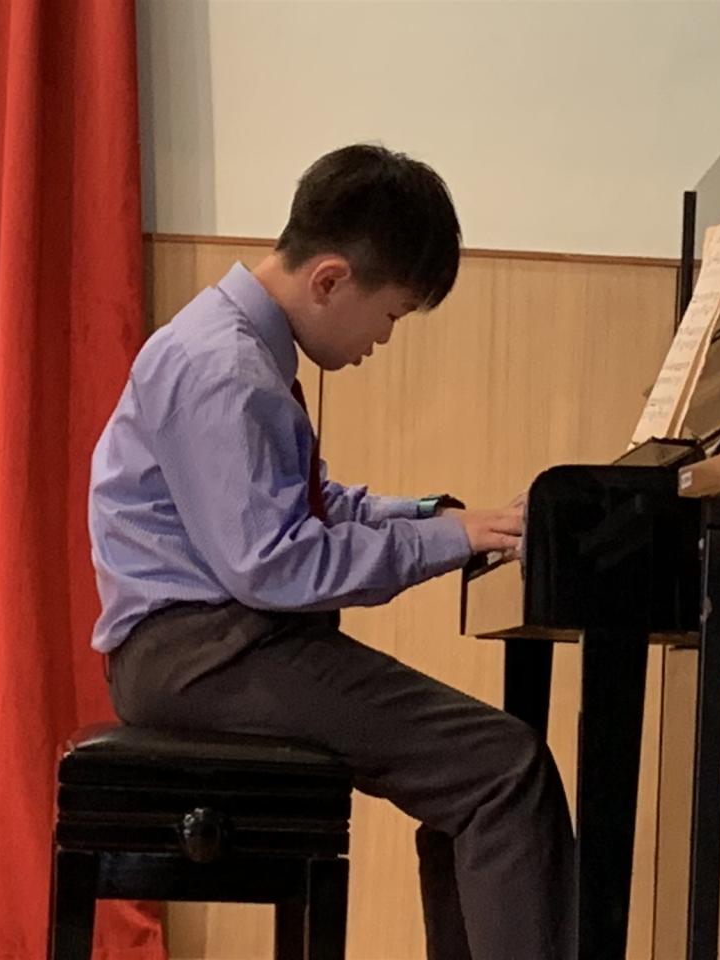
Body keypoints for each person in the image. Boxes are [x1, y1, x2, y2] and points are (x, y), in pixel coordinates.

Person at [88, 144, 574, 959]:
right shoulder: (224, 368)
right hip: (206, 653)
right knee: (503, 770)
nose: (384, 339)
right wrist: (441, 541)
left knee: (478, 775)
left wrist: (435, 517)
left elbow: (305, 505)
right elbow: (275, 564)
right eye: (392, 315)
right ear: (330, 280)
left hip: (210, 646)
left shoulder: (234, 346)